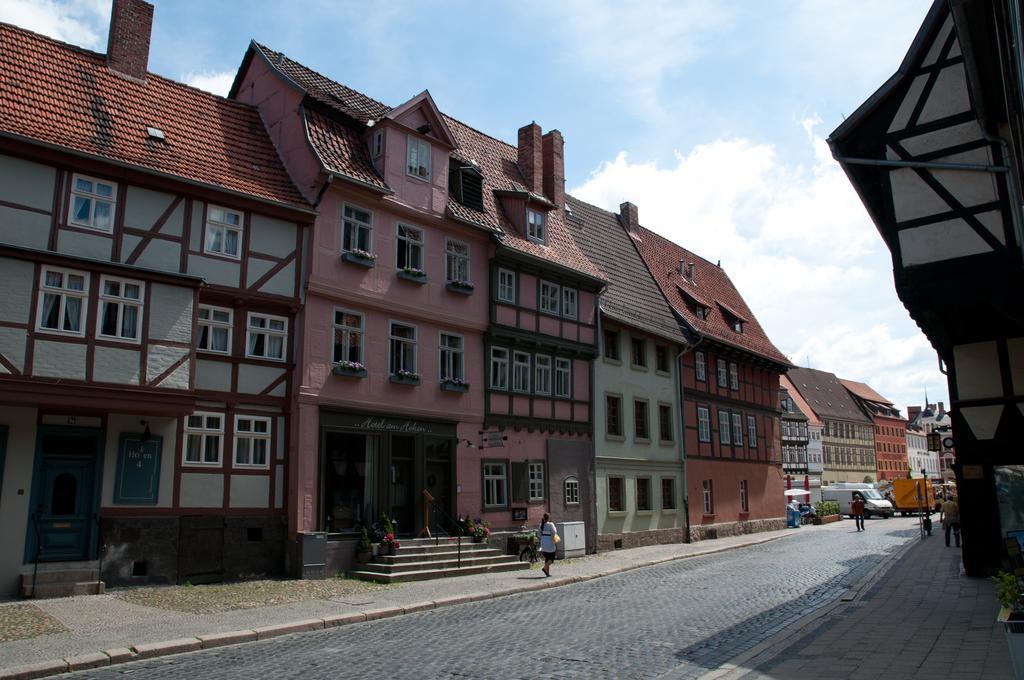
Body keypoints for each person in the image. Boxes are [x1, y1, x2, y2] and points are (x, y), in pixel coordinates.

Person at [538, 512, 559, 577]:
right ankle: (544, 568)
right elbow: (554, 532)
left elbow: (539, 534)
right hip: (549, 542)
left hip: (543, 542)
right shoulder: (551, 524)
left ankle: (547, 573)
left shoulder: (541, 524)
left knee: (547, 558)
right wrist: (554, 539)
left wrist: (542, 539)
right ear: (549, 518)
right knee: (552, 558)